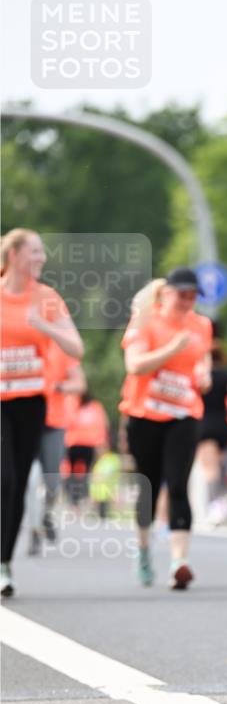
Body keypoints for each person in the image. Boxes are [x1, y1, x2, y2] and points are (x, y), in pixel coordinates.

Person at [1, 227, 83, 597]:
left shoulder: (47, 297)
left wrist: (46, 327)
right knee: (3, 478)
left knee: (16, 484)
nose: (41, 258)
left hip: (32, 402)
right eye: (35, 251)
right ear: (14, 255)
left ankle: (4, 564)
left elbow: (76, 347)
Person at [120, 267, 212, 589]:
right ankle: (144, 549)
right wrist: (173, 348)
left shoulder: (202, 325)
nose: (188, 301)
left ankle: (179, 561)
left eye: (193, 295)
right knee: (149, 484)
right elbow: (134, 365)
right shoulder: (146, 321)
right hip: (144, 414)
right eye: (182, 294)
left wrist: (203, 372)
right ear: (166, 293)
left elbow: (201, 357)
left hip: (184, 413)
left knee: (177, 484)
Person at [26, 348, 85, 553]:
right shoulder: (22, 345)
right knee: (30, 480)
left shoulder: (61, 350)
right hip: (26, 423)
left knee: (52, 482)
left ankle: (47, 515)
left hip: (54, 424)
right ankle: (34, 531)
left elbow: (80, 383)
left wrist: (59, 386)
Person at [196, 340, 227, 523]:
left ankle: (216, 504)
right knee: (219, 465)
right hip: (223, 424)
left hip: (205, 425)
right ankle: (223, 501)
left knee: (209, 468)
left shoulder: (202, 376)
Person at [64, 388, 110, 506]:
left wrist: (102, 442)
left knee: (85, 473)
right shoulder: (71, 402)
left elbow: (101, 424)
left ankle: (81, 497)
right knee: (71, 472)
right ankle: (72, 498)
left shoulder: (95, 407)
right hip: (72, 443)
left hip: (88, 444)